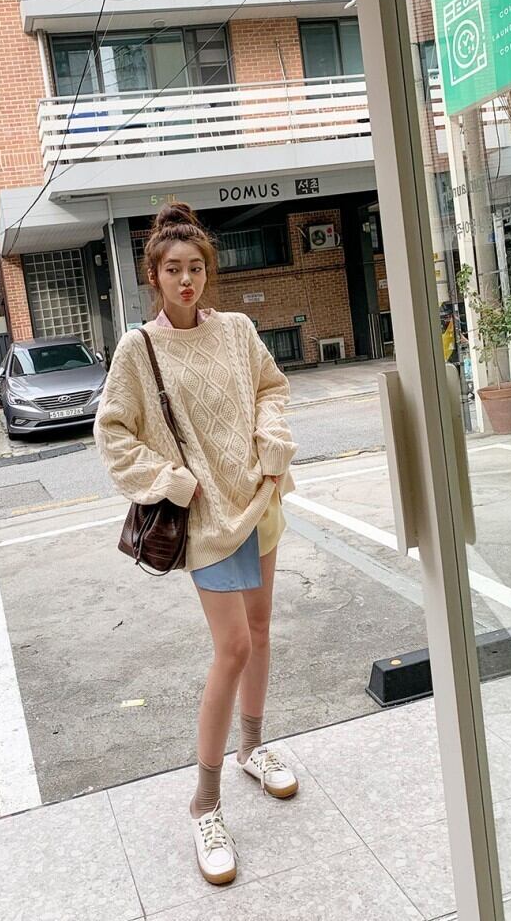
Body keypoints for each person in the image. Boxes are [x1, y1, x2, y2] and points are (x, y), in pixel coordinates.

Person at [93, 202, 299, 886]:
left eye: (196, 267)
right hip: (207, 519)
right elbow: (113, 432)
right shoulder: (138, 348)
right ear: (153, 276)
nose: (186, 279)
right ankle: (204, 803)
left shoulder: (237, 329)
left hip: (260, 496)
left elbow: (271, 388)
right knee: (232, 647)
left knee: (261, 632)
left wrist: (270, 442)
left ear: (208, 271)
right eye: (173, 269)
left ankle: (253, 748)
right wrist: (170, 481)